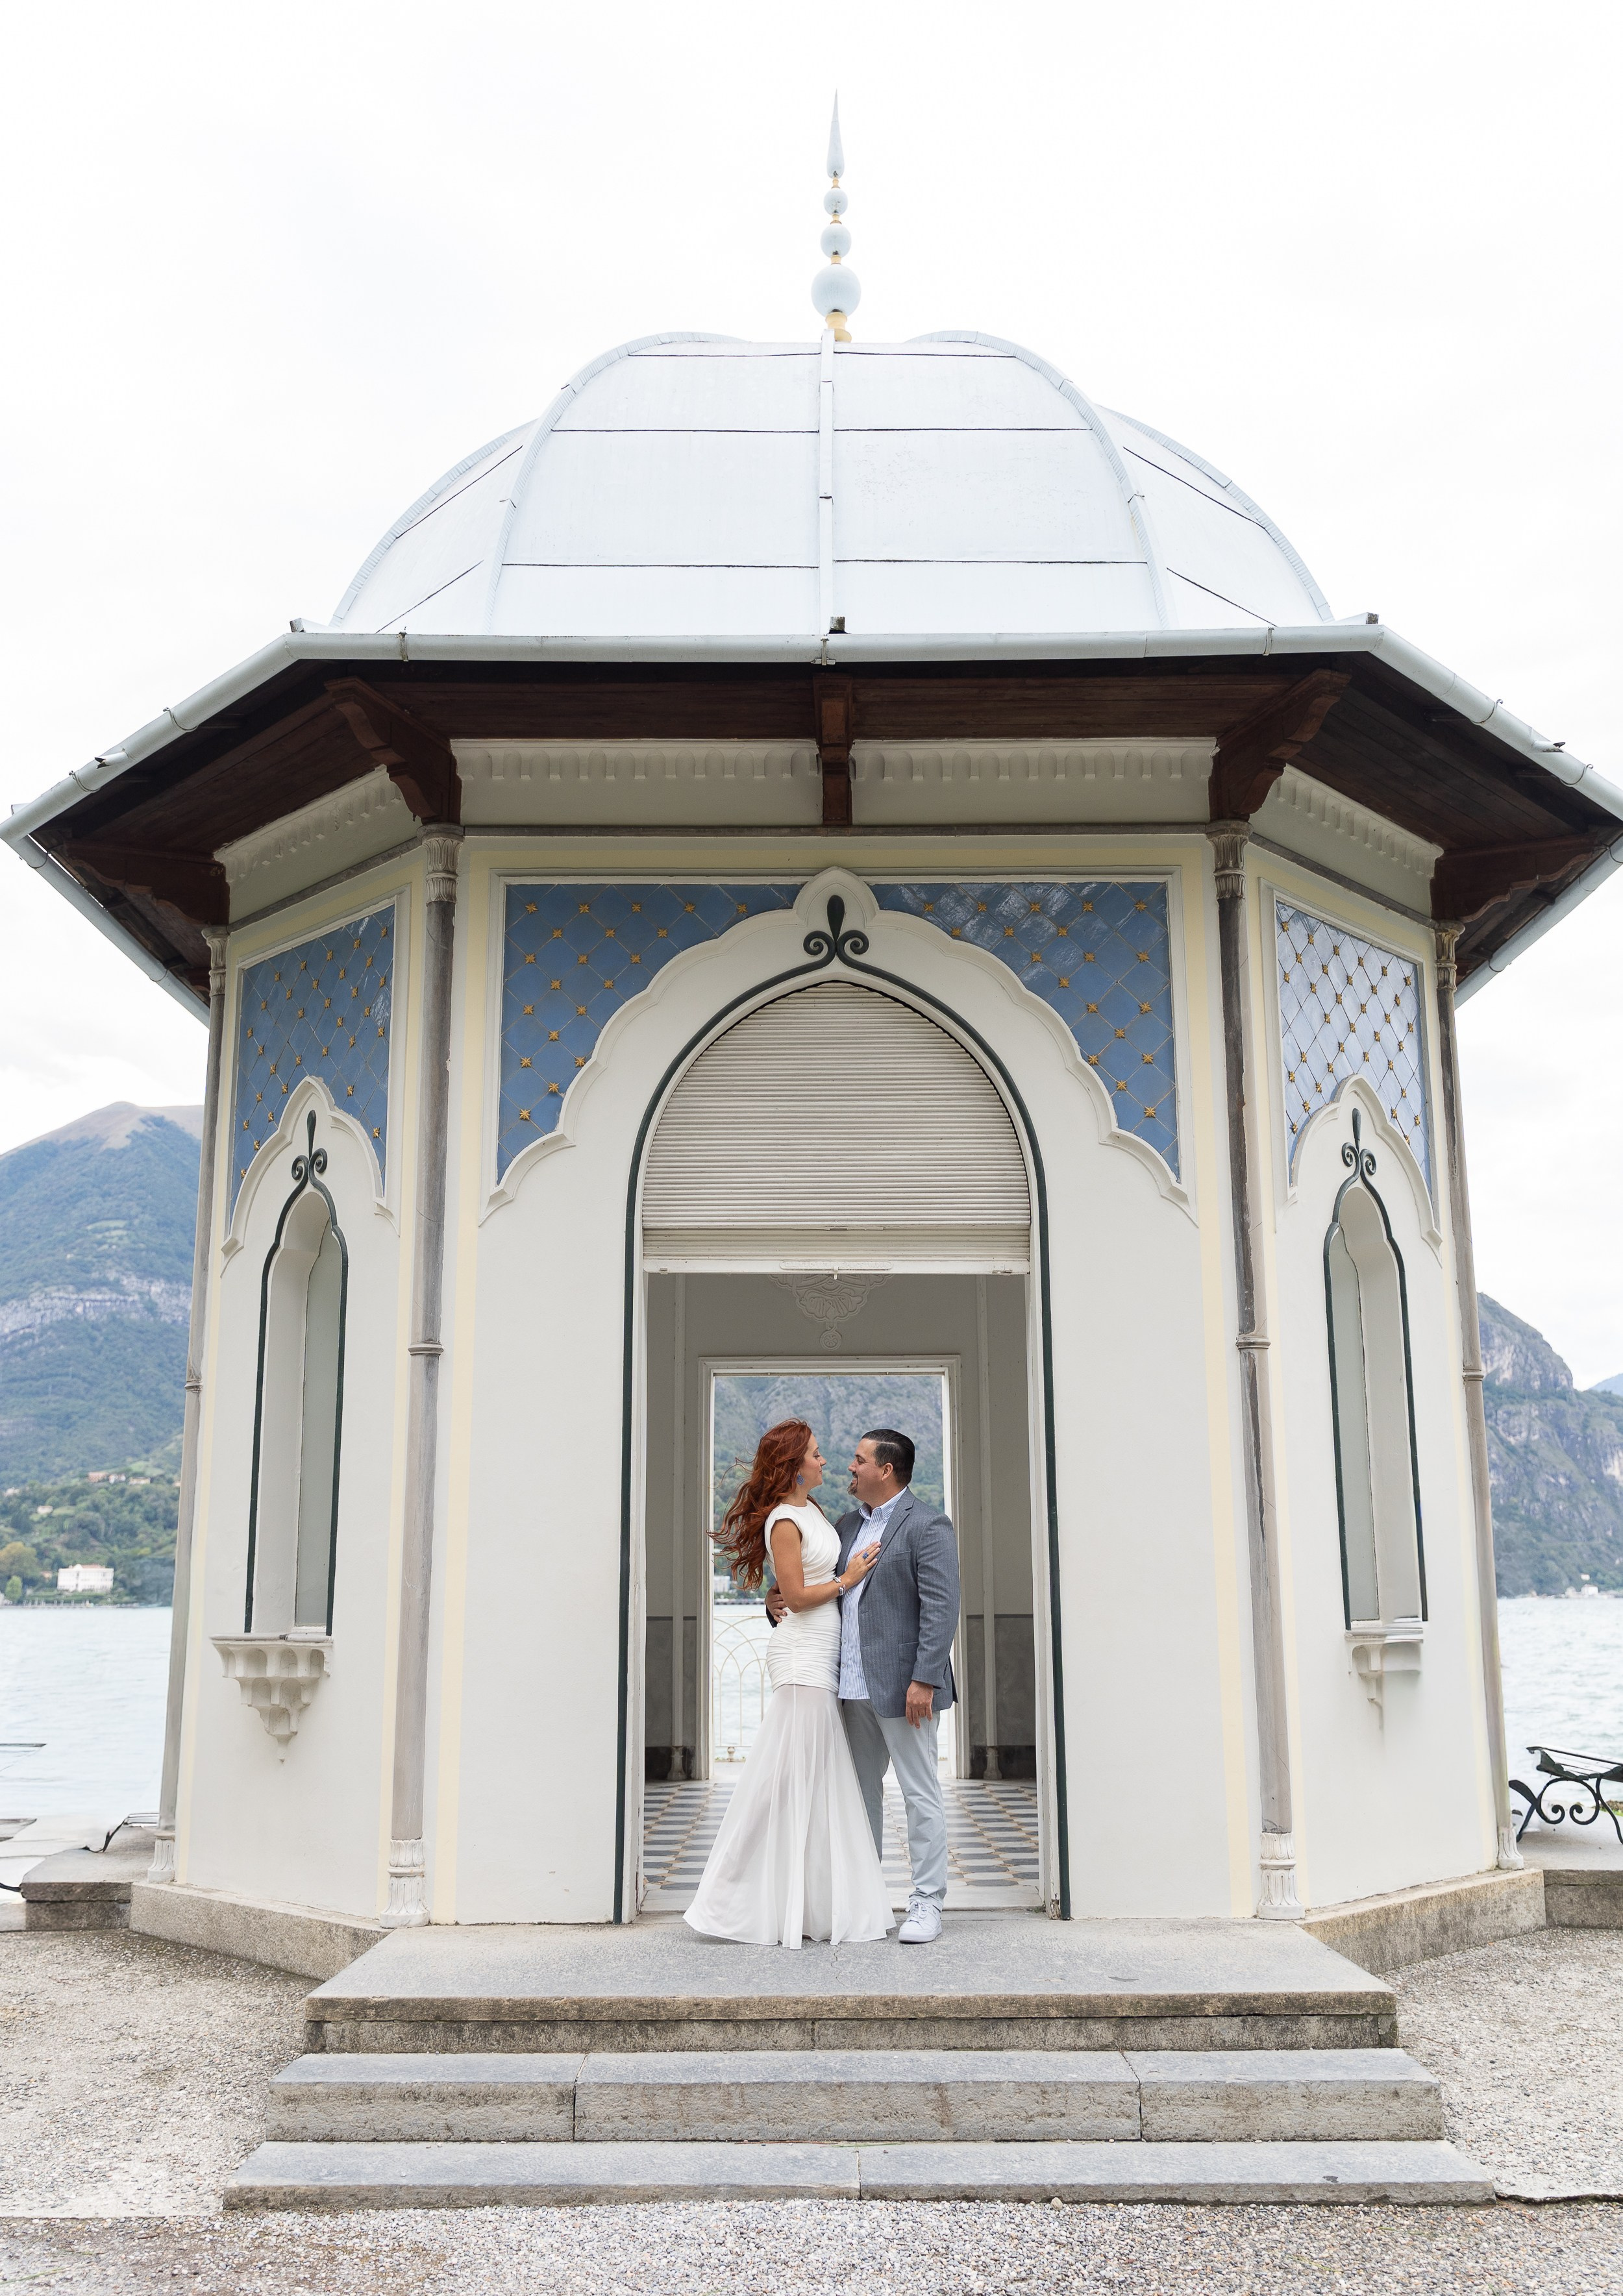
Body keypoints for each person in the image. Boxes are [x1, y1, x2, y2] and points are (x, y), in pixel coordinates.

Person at [682, 1419, 893, 1949]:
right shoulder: (783, 1519)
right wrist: (848, 1579)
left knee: (814, 1780)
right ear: (796, 1464)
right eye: (818, 1455)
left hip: (823, 1656)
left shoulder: (814, 1512)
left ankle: (807, 1903)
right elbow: (796, 1597)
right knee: (783, 1780)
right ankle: (729, 1899)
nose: (827, 1462)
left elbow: (789, 1587)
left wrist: (789, 1591)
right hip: (801, 1656)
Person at [769, 1427, 960, 1944]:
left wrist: (923, 1678)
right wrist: (775, 1597)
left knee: (921, 1794)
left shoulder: (927, 1524)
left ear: (886, 1469)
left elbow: (942, 1609)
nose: (849, 1467)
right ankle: (866, 1895)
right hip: (848, 1689)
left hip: (905, 1689)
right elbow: (812, 1584)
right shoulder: (848, 1524)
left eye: (858, 1460)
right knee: (857, 1796)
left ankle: (926, 1902)